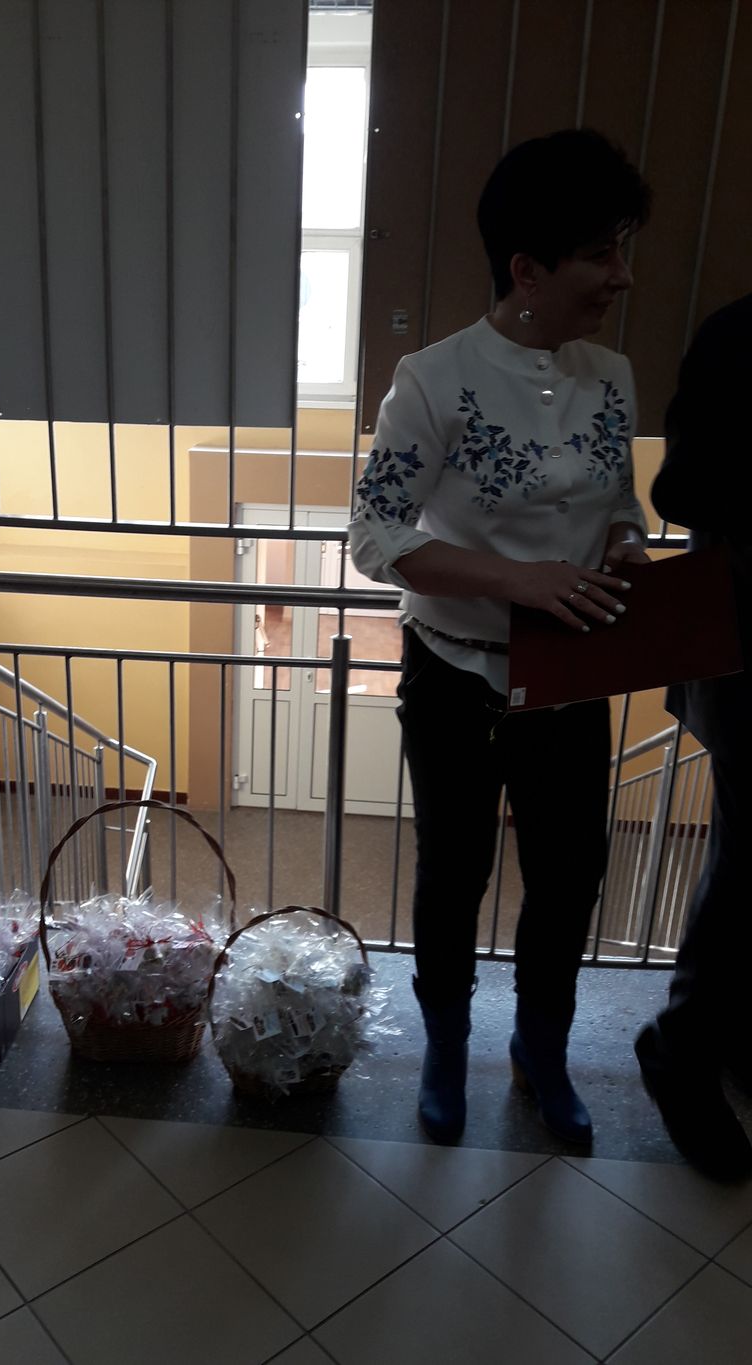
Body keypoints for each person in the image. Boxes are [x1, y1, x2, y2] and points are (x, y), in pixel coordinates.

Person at [349, 129, 651, 1145]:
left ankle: (541, 1049)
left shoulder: (611, 375)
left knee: (569, 877)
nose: (621, 275)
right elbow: (374, 534)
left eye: (620, 248)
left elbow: (618, 502)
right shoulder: (432, 379)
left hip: (572, 673)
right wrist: (516, 580)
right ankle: (445, 1046)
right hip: (453, 673)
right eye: (600, 254)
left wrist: (626, 545)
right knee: (452, 873)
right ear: (526, 269)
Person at [633, 294, 752, 1180]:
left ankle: (731, 1032)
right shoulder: (739, 334)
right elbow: (676, 490)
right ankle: (684, 1043)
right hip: (747, 649)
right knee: (750, 861)